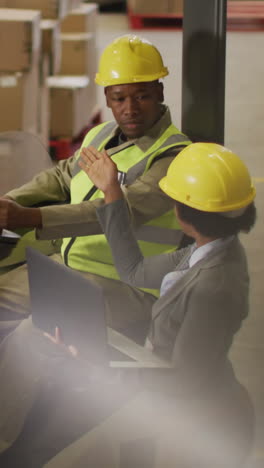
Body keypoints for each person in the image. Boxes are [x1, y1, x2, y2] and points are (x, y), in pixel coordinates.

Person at [42, 142, 256, 467]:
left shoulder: (213, 285)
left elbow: (182, 379)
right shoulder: (210, 249)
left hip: (202, 427)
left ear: (183, 211)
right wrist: (112, 191)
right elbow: (134, 271)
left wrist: (96, 361)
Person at [0, 34, 191, 340]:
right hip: (69, 267)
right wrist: (10, 201)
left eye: (141, 96)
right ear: (106, 97)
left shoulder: (174, 156)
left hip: (128, 288)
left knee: (32, 336)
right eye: (119, 98)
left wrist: (28, 218)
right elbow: (62, 175)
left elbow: (118, 211)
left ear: (159, 91)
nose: (130, 108)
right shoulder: (101, 136)